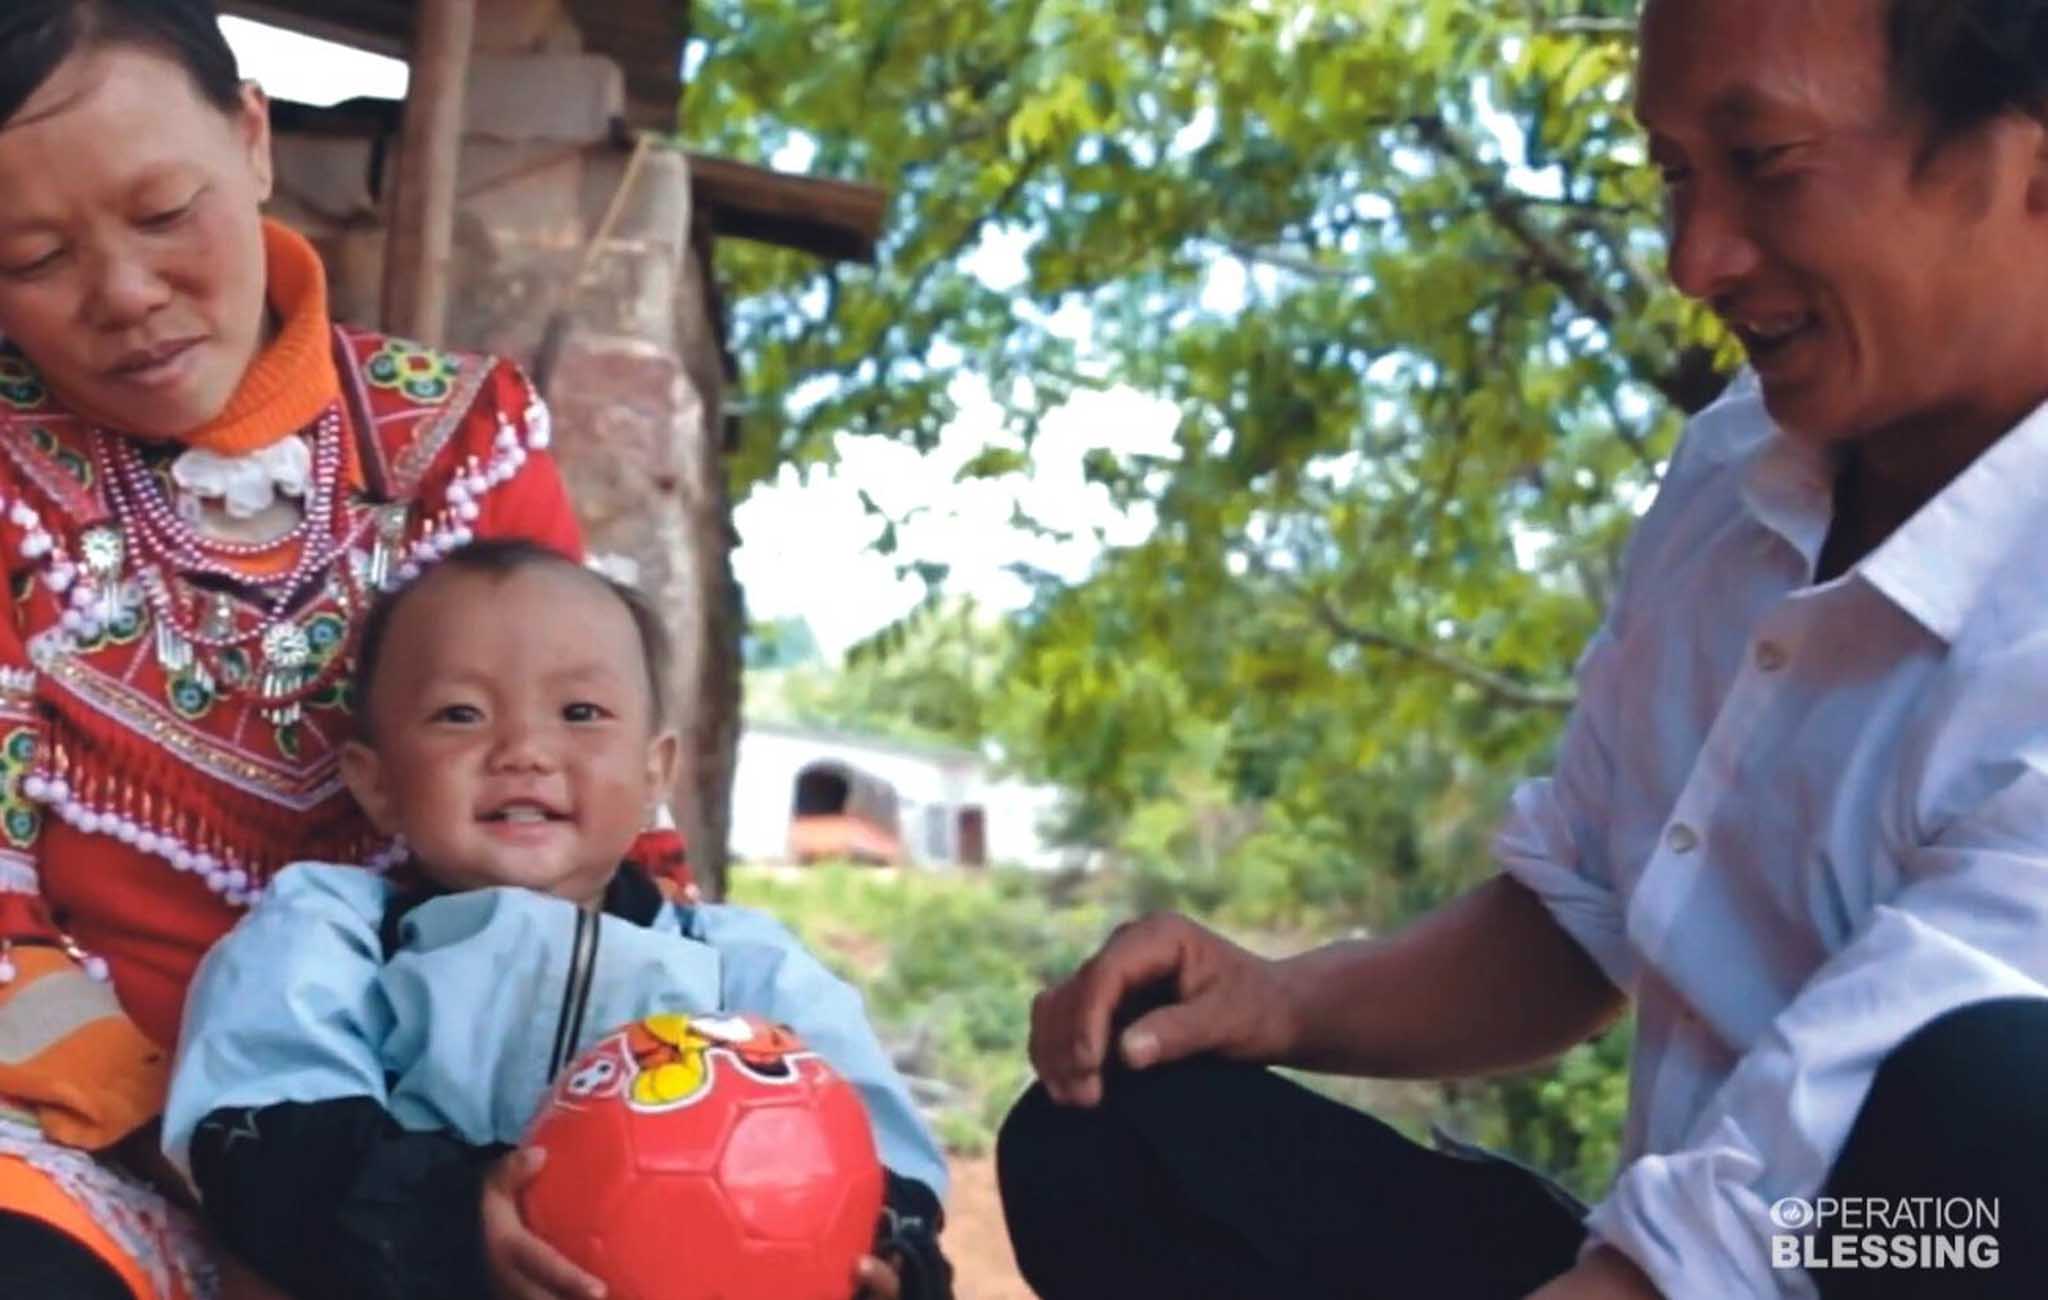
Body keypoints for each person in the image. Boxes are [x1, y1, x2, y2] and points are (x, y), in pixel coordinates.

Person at [1001, 1, 2048, 1297]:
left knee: (1993, 1124)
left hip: (1896, 1254)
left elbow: (1845, 1181)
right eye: (1673, 172)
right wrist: (1279, 1000)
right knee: (1118, 1138)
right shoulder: (1737, 473)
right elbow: (1581, 912)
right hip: (1648, 1254)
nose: (1695, 258)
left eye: (1765, 160)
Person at [0, 4, 588, 1297]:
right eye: (33, 256)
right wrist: (237, 1170)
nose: (126, 294)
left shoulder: (461, 451)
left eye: (165, 213)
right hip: (83, 1144)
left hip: (444, 1139)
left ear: (254, 137)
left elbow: (603, 847)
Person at [159, 540, 952, 1300]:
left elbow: (872, 1147)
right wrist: (457, 1223)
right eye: (460, 714)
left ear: (654, 774)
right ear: (377, 784)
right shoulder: (333, 934)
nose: (525, 750)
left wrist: (891, 1256)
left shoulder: (741, 966)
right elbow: (260, 1136)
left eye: (580, 711)